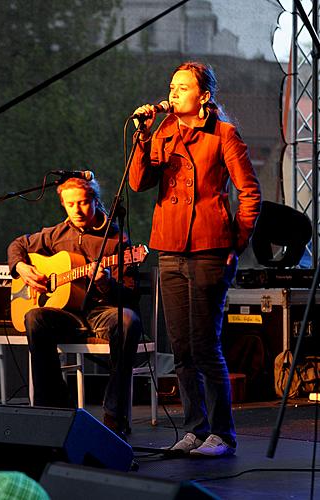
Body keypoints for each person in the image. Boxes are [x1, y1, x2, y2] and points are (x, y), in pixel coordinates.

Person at [129, 61, 261, 457]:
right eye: (172, 86)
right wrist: (143, 134)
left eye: (183, 87)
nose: (174, 93)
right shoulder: (164, 131)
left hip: (209, 248)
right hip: (169, 248)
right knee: (182, 348)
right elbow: (138, 182)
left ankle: (222, 434)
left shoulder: (223, 134)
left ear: (203, 96)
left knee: (205, 346)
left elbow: (250, 193)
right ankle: (194, 428)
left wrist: (233, 245)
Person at [8, 176, 141, 438]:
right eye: (70, 205)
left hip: (101, 311)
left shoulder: (116, 240)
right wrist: (21, 267)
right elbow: (18, 245)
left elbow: (130, 293)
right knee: (34, 317)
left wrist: (105, 283)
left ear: (95, 201)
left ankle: (114, 416)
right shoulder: (55, 234)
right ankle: (54, 412)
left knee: (128, 321)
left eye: (83, 203)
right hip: (65, 313)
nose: (77, 210)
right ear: (63, 205)